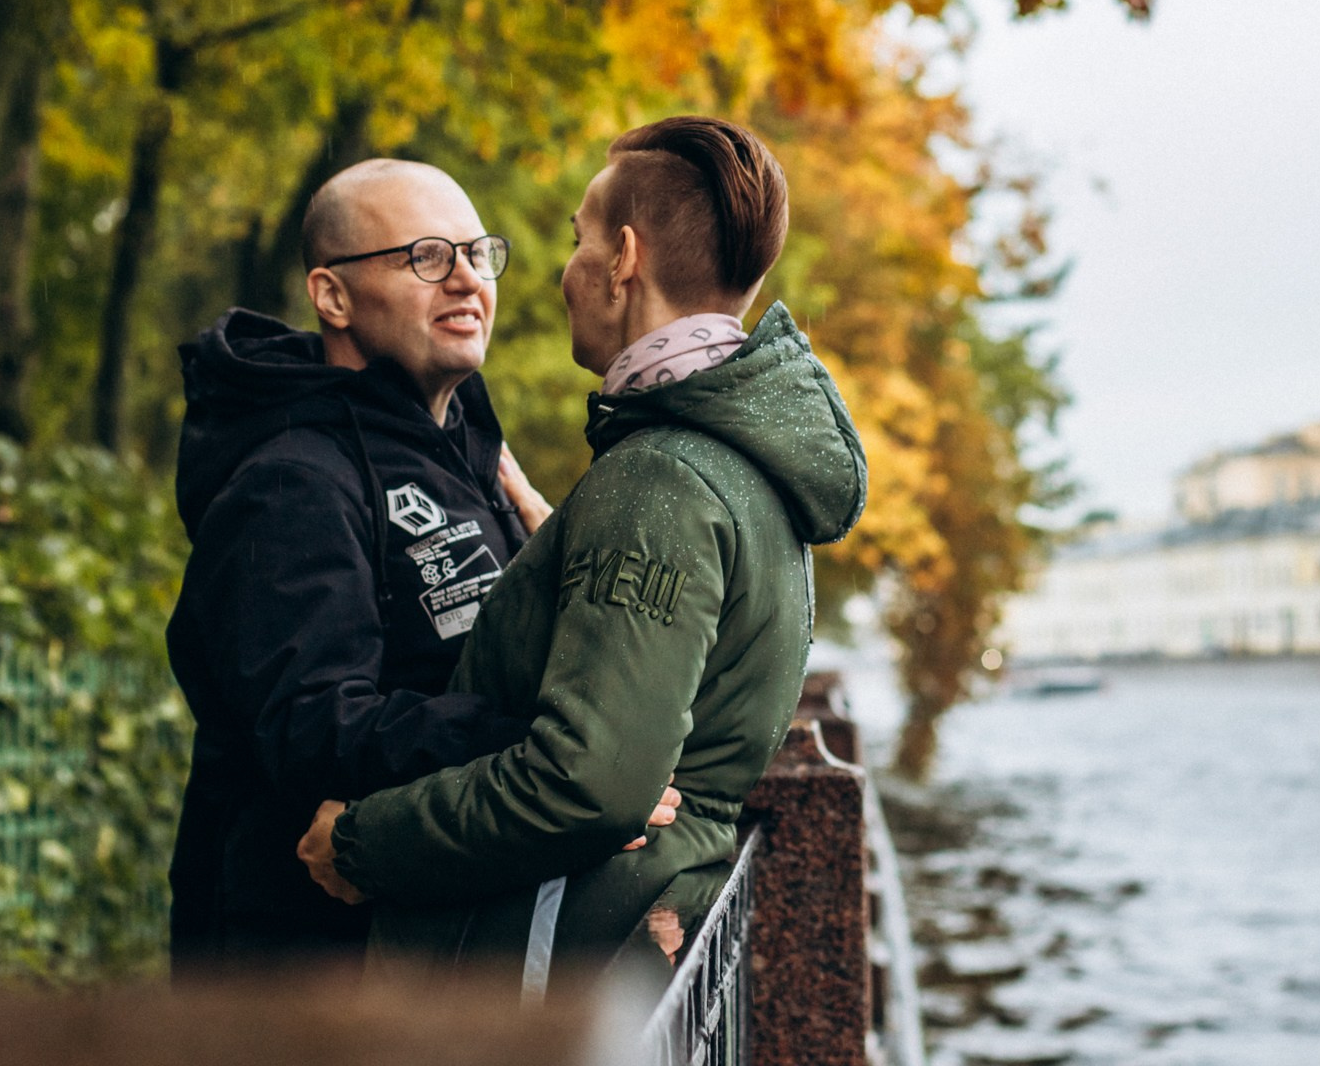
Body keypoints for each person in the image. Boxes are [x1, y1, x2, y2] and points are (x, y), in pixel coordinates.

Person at [294, 116, 867, 988]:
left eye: (577, 240)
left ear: (625, 257)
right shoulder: (730, 459)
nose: (566, 271)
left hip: (548, 967)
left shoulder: (659, 484)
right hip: (613, 941)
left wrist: (363, 841)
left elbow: (586, 785)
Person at [166, 159, 568, 967]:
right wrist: (549, 746)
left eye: (478, 253)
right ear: (332, 296)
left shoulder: (468, 452)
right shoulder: (289, 482)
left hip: (426, 945)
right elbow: (314, 729)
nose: (465, 278)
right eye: (425, 256)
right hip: (302, 971)